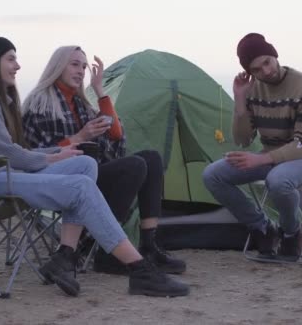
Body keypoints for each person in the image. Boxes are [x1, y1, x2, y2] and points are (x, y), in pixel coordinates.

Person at [0, 29, 189, 297]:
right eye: (10, 59)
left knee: (85, 165)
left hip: (0, 171)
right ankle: (139, 269)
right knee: (82, 185)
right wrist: (54, 154)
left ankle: (65, 256)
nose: (18, 65)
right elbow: (8, 151)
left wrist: (64, 147)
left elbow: (17, 150)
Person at [21, 46, 187, 275]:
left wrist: (100, 91)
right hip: (59, 180)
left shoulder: (79, 103)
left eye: (83, 66)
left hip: (91, 172)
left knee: (151, 158)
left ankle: (149, 245)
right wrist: (80, 137)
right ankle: (106, 252)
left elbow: (116, 135)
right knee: (134, 166)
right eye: (74, 64)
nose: (80, 71)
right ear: (58, 66)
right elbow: (36, 155)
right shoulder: (40, 103)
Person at [202, 33, 302, 261]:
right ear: (250, 72)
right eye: (257, 69)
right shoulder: (254, 90)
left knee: (278, 180)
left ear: (274, 55)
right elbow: (242, 140)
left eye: (267, 62)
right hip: (271, 158)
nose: (266, 71)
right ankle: (263, 228)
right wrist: (240, 101)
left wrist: (261, 160)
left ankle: (293, 232)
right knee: (213, 175)